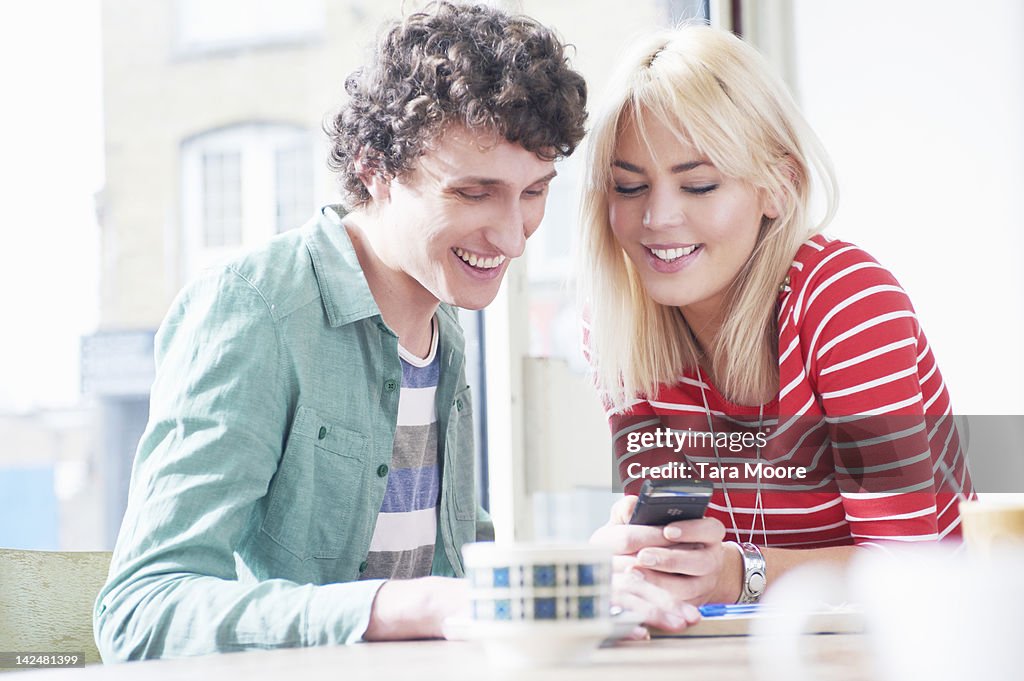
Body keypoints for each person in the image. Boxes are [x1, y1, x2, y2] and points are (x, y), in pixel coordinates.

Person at [93, 1, 587, 660]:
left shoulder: (444, 323)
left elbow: (444, 574)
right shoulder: (256, 310)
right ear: (373, 168)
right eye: (473, 194)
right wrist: (393, 604)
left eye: (534, 193)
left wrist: (589, 581)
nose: (513, 237)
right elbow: (139, 611)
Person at [578, 25, 973, 631]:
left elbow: (909, 567)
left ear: (778, 187)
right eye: (629, 186)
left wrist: (741, 573)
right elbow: (679, 557)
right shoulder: (617, 328)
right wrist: (642, 563)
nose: (656, 218)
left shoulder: (844, 299)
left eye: (699, 184)